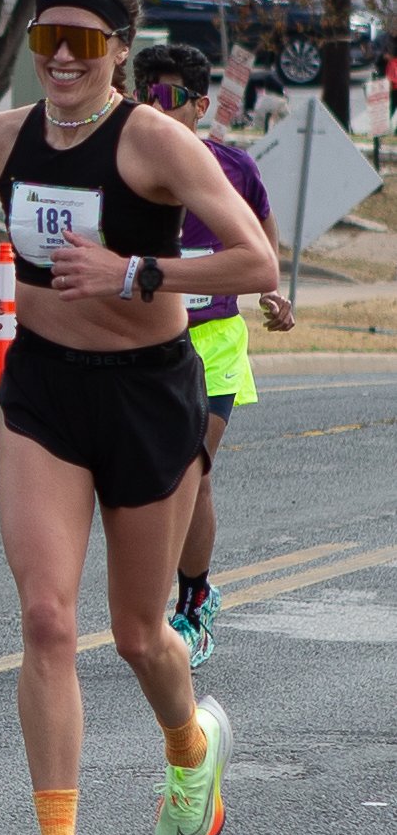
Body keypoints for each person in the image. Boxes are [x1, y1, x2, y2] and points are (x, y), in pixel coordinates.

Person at [0, 0, 277, 835]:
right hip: (44, 388)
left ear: (117, 51)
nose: (60, 59)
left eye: (82, 43)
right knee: (46, 617)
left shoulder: (157, 144)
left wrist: (136, 268)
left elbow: (255, 260)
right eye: (46, 40)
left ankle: (188, 743)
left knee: (137, 634)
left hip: (147, 393)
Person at [130, 43, 296, 667]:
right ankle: (156, 600)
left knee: (191, 470)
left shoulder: (233, 169)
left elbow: (262, 250)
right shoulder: (118, 166)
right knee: (150, 479)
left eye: (168, 96)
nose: (153, 105)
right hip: (141, 339)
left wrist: (273, 296)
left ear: (200, 106)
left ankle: (193, 599)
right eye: (142, 92)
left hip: (213, 344)